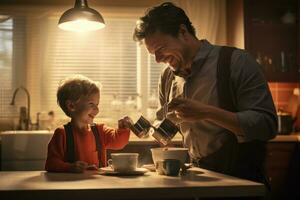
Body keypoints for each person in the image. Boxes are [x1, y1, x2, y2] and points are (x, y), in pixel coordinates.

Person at [133, 2, 277, 184]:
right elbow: (169, 124)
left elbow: (267, 125)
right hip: (197, 179)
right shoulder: (168, 76)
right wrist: (147, 130)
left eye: (160, 50)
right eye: (153, 54)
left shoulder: (237, 62)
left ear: (183, 32)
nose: (158, 60)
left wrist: (207, 113)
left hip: (241, 181)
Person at [45, 75, 131, 173]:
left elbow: (119, 143)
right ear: (71, 106)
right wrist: (69, 167)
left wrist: (123, 129)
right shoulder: (62, 134)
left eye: (97, 105)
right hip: (73, 186)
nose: (97, 109)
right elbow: (51, 163)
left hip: (98, 185)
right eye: (91, 104)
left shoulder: (100, 130)